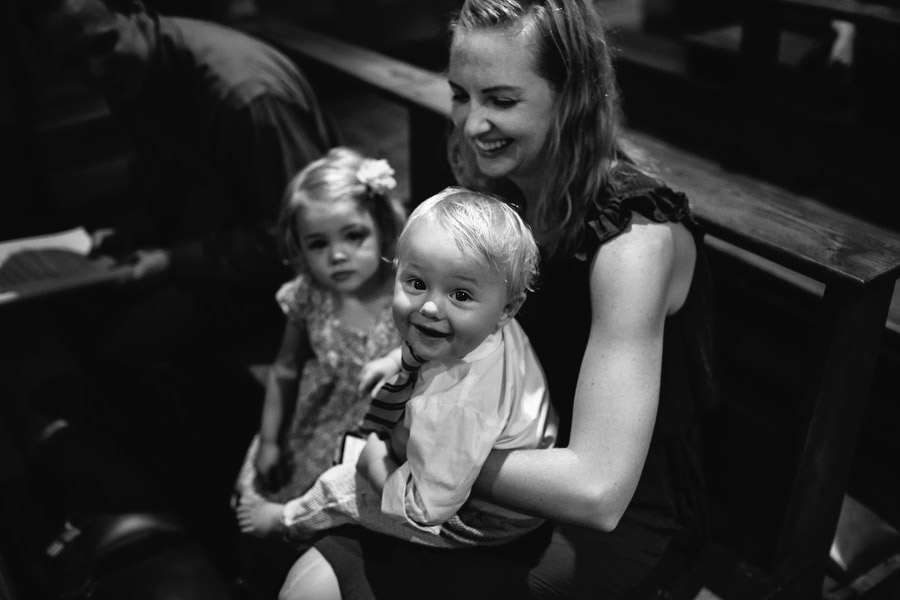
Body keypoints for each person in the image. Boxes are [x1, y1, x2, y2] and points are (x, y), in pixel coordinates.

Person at [295, 1, 718, 599]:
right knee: (307, 585)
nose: (471, 124)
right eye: (461, 95)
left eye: (500, 99)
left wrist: (427, 448)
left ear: (572, 94)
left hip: (617, 510)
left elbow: (599, 491)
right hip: (499, 441)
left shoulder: (632, 241)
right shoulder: (499, 191)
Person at [264, 188, 556, 598]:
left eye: (460, 294)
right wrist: (395, 361)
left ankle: (284, 521)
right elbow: (430, 335)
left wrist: (375, 462)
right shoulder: (486, 327)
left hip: (478, 521)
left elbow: (427, 510)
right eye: (417, 282)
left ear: (508, 308)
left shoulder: (455, 406)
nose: (431, 308)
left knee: (340, 483)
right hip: (494, 464)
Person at [21, 0, 341, 360]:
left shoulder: (243, 95)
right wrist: (135, 231)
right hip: (220, 244)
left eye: (101, 44)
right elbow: (165, 175)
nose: (93, 70)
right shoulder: (136, 69)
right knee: (73, 311)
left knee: (129, 348)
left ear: (134, 9)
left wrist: (173, 261)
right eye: (71, 61)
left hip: (298, 277)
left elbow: (303, 238)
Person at [232, 147, 406, 596]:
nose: (338, 256)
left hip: (383, 433)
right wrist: (270, 440)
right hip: (321, 420)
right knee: (270, 501)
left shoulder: (407, 290)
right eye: (318, 244)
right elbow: (286, 369)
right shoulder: (310, 295)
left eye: (354, 236)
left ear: (382, 228)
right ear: (299, 247)